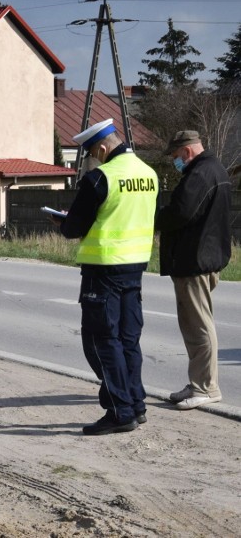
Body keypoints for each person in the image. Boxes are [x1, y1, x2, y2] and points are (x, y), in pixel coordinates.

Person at [50, 119, 158, 436]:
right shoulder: (147, 173)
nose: (93, 160)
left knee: (100, 341)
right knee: (128, 340)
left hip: (104, 268)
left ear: (100, 148)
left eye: (93, 154)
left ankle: (119, 410)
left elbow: (74, 228)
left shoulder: (101, 178)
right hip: (136, 266)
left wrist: (63, 223)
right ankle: (136, 404)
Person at [155, 130, 232, 410]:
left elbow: (181, 213)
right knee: (193, 324)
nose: (176, 161)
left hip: (195, 260)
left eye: (176, 156)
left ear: (186, 152)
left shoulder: (200, 174)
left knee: (198, 326)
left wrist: (155, 218)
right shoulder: (214, 169)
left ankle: (206, 388)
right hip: (202, 257)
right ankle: (198, 382)